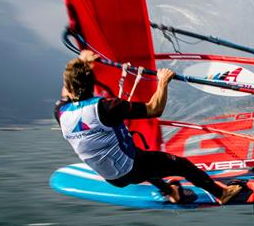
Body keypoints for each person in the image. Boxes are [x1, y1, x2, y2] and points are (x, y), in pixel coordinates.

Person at [54, 50, 243, 204]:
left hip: (110, 177)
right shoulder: (106, 107)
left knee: (146, 160)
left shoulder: (60, 112)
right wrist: (163, 81)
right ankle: (221, 194)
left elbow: (69, 90)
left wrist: (81, 61)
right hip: (130, 167)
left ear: (69, 89)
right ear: (92, 84)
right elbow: (154, 109)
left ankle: (171, 191)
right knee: (182, 165)